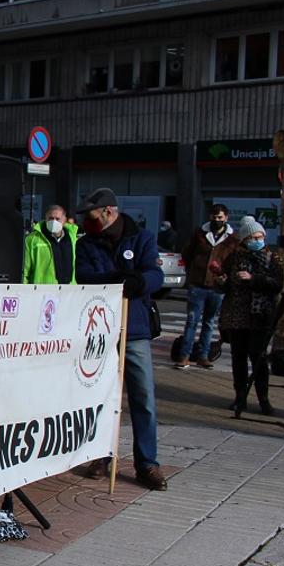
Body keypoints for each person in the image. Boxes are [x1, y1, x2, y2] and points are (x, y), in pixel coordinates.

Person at [74, 188, 167, 491]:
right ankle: (101, 454)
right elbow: (84, 275)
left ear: (109, 212)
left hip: (135, 327)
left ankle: (147, 463)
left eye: (91, 218)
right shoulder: (87, 244)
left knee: (143, 398)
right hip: (99, 328)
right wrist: (115, 279)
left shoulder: (141, 238)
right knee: (100, 395)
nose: (86, 224)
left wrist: (140, 281)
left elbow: (155, 273)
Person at [218, 216, 283, 416]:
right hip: (237, 315)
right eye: (252, 237)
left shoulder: (273, 258)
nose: (257, 240)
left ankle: (263, 399)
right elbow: (225, 286)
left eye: (260, 236)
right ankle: (240, 397)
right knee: (238, 358)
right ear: (244, 240)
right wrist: (222, 281)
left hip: (260, 316)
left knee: (259, 358)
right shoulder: (234, 258)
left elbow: (276, 285)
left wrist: (253, 279)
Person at [177, 204, 237, 369]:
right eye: (214, 217)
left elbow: (233, 260)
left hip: (217, 286)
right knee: (191, 321)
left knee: (209, 322)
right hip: (198, 284)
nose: (217, 220)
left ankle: (203, 355)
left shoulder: (232, 239)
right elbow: (187, 253)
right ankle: (184, 355)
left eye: (220, 217)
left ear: (226, 218)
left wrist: (224, 276)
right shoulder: (200, 234)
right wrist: (194, 269)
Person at [22, 203, 78, 284]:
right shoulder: (32, 239)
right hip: (42, 292)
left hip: (68, 292)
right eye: (51, 218)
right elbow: (24, 271)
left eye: (57, 219)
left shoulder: (73, 238)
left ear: (64, 220)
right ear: (46, 218)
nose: (54, 222)